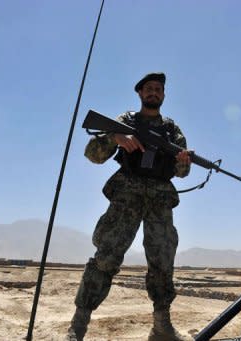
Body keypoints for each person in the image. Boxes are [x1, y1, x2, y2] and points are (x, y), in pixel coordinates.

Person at [67, 72, 191, 341]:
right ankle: (78, 327)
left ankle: (161, 327)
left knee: (162, 262)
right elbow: (93, 155)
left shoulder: (172, 130)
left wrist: (183, 160)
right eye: (149, 89)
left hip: (159, 200)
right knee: (106, 256)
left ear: (164, 95)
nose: (154, 93)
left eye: (158, 89)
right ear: (140, 93)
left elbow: (181, 173)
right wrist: (115, 138)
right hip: (127, 196)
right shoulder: (124, 122)